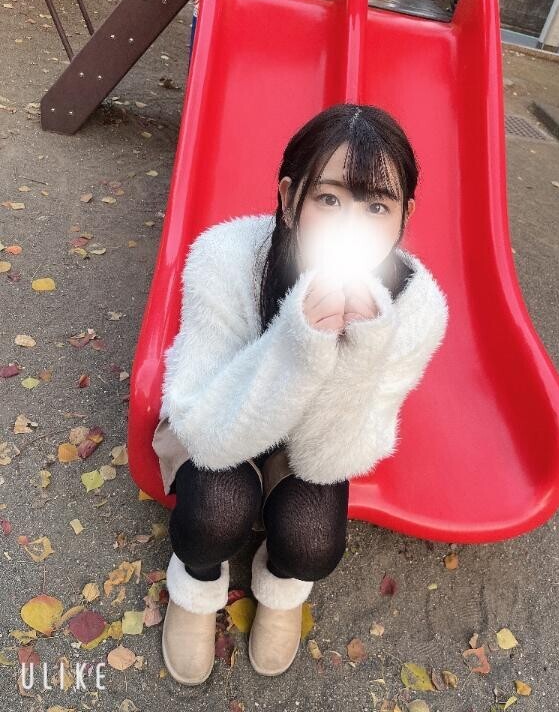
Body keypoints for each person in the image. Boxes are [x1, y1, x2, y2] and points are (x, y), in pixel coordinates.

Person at [153, 103, 450, 685]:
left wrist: (363, 353)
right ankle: (196, 583)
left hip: (313, 440)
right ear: (290, 198)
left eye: (377, 206)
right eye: (329, 199)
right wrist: (296, 345)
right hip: (219, 416)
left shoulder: (417, 307)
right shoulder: (226, 256)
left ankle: (282, 587)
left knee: (314, 540)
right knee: (216, 510)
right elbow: (205, 434)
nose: (349, 226)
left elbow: (332, 459)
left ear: (404, 215)